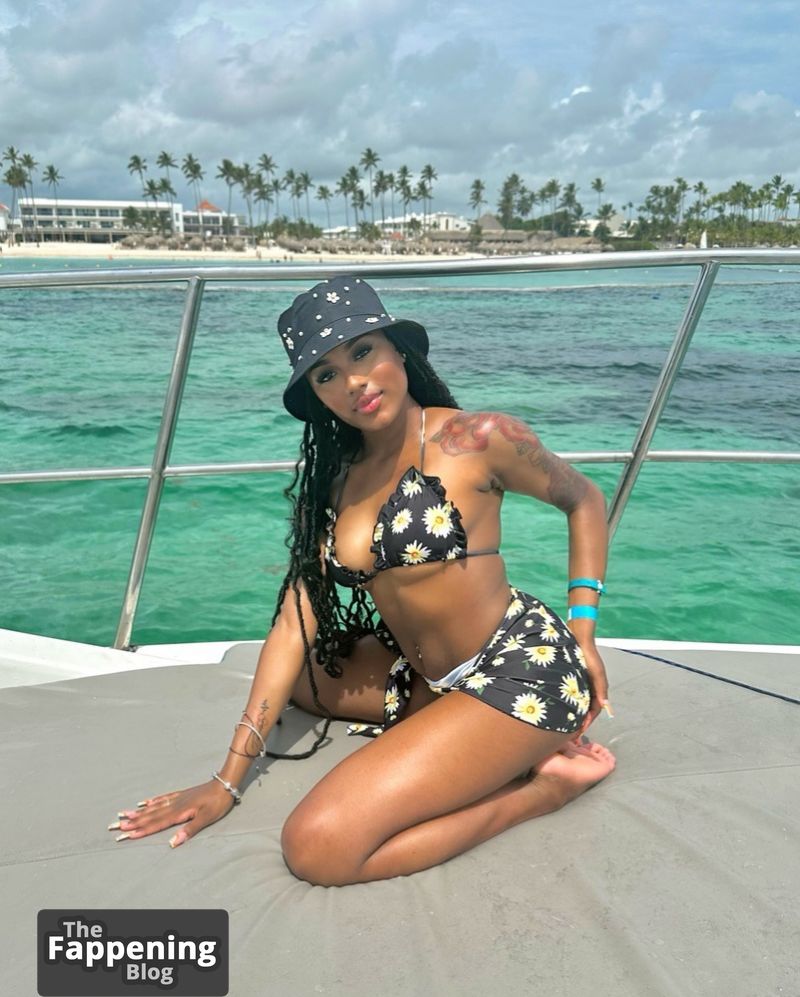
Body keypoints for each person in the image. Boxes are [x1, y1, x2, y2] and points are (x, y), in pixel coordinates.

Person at [111, 275, 615, 885]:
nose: (353, 381)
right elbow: (295, 623)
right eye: (326, 374)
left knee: (317, 847)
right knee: (300, 675)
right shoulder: (339, 477)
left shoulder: (477, 438)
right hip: (424, 676)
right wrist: (226, 781)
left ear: (398, 350)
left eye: (362, 351)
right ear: (317, 396)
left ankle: (544, 790)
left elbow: (584, 500)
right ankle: (456, 724)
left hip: (521, 669)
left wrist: (584, 635)